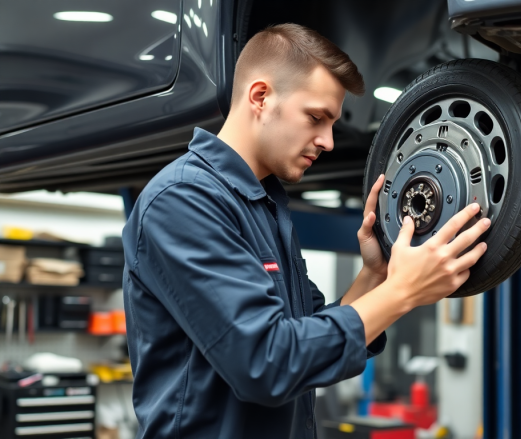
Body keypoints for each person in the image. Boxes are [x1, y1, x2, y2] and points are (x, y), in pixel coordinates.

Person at [122, 23, 489, 438]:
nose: (328, 141)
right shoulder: (183, 200)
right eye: (316, 117)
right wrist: (401, 291)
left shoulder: (263, 204)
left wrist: (376, 277)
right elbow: (266, 364)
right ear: (260, 97)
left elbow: (309, 338)